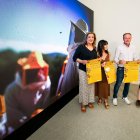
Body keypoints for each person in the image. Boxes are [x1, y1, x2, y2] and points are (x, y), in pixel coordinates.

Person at [4, 51, 51, 131]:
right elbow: (13, 118)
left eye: (39, 69)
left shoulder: (46, 83)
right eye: (33, 70)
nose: (38, 73)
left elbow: (45, 103)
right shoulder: (11, 90)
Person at [56, 19, 88, 96]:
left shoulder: (78, 52)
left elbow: (74, 79)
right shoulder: (74, 49)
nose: (74, 32)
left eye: (77, 31)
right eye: (75, 30)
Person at [73, 32, 97, 112]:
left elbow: (95, 60)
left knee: (91, 86)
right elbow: (74, 58)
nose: (91, 38)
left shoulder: (94, 48)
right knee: (84, 86)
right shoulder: (81, 47)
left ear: (94, 39)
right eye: (89, 37)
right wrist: (81, 61)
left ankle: (90, 101)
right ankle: (83, 103)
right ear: (86, 38)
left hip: (92, 71)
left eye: (92, 37)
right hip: (83, 69)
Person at [113, 33, 138, 106]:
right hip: (121, 68)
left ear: (131, 38)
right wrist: (119, 61)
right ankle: (115, 97)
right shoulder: (119, 47)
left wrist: (137, 60)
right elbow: (115, 59)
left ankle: (125, 96)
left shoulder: (133, 47)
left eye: (129, 38)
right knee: (118, 83)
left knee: (127, 84)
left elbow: (135, 58)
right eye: (126, 38)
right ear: (123, 39)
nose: (127, 39)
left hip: (130, 68)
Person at [95, 40, 110, 109]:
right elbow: (94, 64)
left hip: (106, 72)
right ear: (101, 46)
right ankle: (100, 98)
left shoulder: (108, 53)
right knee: (99, 85)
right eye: (105, 45)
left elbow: (109, 63)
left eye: (107, 44)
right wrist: (100, 64)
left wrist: (106, 64)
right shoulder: (97, 53)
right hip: (99, 72)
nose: (107, 46)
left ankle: (106, 100)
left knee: (106, 86)